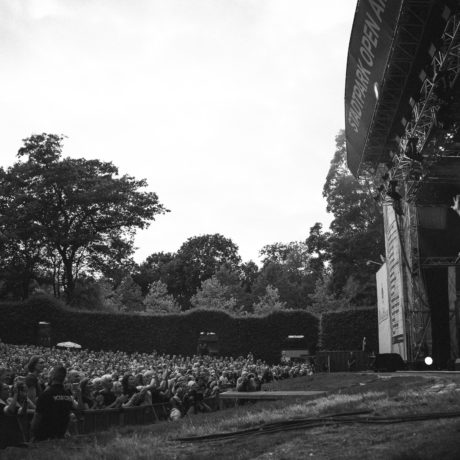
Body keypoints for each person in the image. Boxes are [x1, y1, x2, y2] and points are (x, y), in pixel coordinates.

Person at [31, 365, 76, 442]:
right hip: (60, 438)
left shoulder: (46, 395)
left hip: (45, 438)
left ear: (52, 376)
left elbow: (37, 418)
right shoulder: (68, 396)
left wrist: (33, 434)